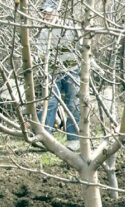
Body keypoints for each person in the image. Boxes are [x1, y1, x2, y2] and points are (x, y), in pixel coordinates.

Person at [36, 0, 80, 151]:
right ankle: (46, 138)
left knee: (73, 103)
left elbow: (79, 46)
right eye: (44, 13)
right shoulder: (43, 31)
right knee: (50, 102)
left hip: (72, 70)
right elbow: (40, 54)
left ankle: (74, 139)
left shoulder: (69, 27)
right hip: (53, 71)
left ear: (56, 12)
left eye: (49, 12)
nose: (46, 16)